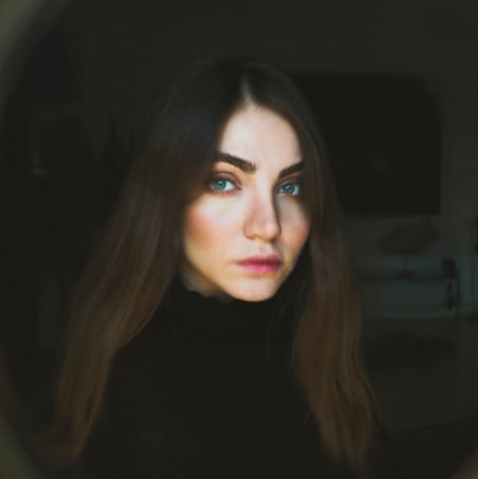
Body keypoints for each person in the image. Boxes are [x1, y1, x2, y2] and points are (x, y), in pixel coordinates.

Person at [46, 58, 394, 478]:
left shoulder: (316, 333)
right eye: (223, 182)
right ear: (164, 199)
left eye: (290, 187)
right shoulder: (127, 381)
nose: (267, 225)